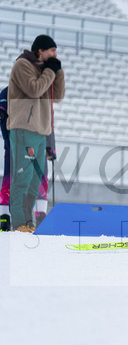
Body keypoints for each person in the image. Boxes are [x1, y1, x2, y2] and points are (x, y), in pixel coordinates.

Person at [6, 34, 65, 232]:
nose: (55, 54)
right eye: (52, 51)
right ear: (40, 50)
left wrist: (58, 72)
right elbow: (34, 89)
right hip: (24, 128)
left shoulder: (44, 70)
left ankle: (28, 222)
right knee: (23, 177)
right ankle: (19, 222)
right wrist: (49, 71)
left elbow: (57, 96)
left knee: (34, 180)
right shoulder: (22, 65)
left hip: (40, 132)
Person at [0, 86, 54, 231]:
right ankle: (5, 218)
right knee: (13, 179)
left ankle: (39, 217)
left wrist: (50, 146)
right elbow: (3, 118)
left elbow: (48, 121)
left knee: (40, 178)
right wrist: (11, 143)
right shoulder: (7, 93)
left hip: (37, 144)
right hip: (16, 145)